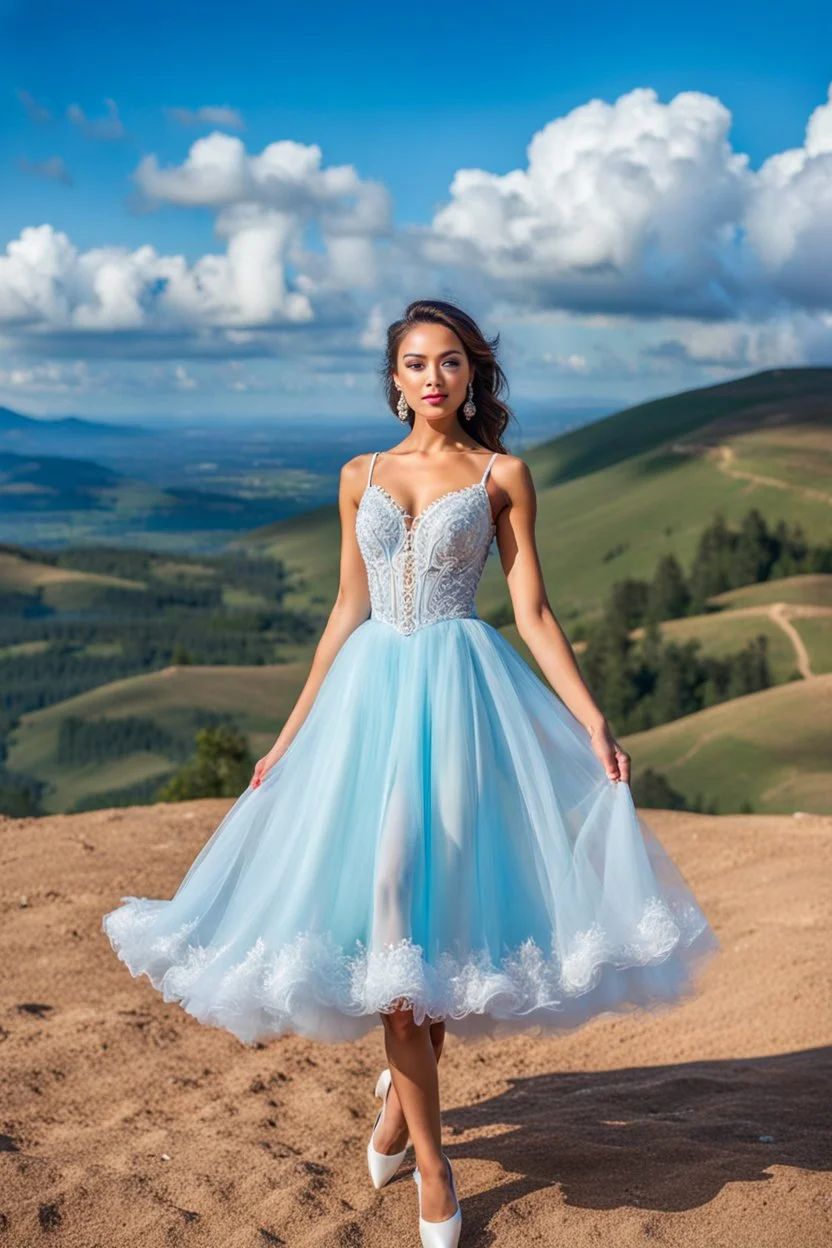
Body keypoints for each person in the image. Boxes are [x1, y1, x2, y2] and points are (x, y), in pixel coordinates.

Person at [103, 298, 719, 1248]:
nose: (435, 378)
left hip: (465, 706)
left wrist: (592, 721)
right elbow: (345, 611)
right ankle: (435, 1167)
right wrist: (290, 733)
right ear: (394, 381)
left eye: (452, 364)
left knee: (433, 921)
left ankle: (399, 1108)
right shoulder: (360, 475)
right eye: (417, 364)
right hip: (367, 706)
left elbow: (536, 615)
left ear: (474, 376)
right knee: (390, 897)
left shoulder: (502, 474)